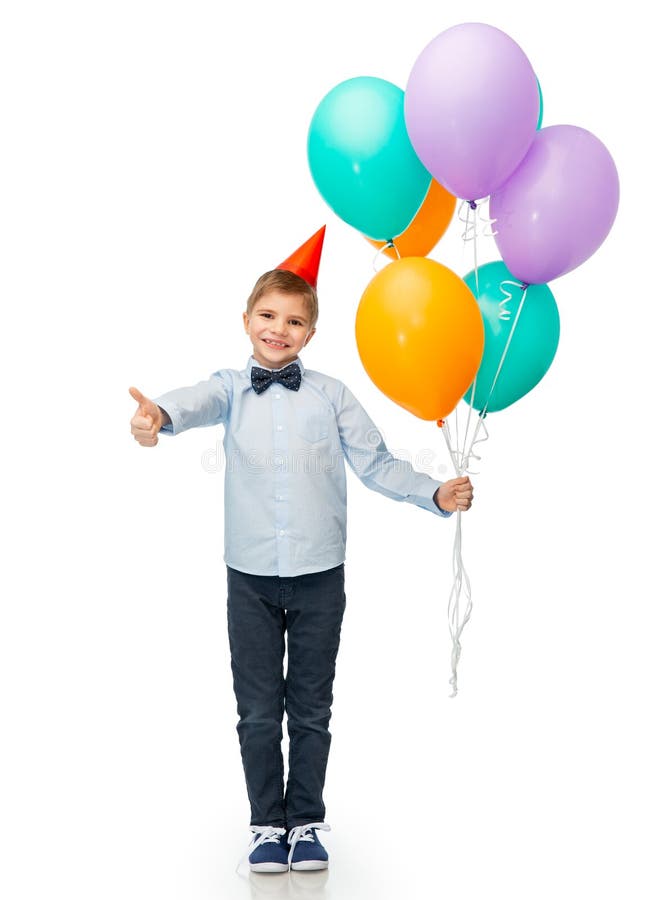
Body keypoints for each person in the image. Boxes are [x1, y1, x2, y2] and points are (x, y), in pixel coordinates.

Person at [129, 227, 474, 874]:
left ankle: (306, 821)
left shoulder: (331, 396)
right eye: (267, 315)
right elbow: (190, 403)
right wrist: (158, 418)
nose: (278, 328)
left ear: (311, 334)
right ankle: (266, 826)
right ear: (245, 321)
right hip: (250, 578)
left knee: (310, 706)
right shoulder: (229, 388)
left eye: (294, 320)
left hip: (320, 577)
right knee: (258, 709)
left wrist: (434, 494)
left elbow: (376, 465)